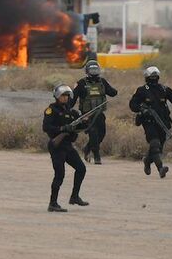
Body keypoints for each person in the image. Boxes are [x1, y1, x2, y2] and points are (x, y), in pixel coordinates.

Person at [129, 66, 172, 178]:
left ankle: (147, 161)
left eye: (155, 76)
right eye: (152, 76)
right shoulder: (142, 90)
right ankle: (161, 168)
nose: (154, 78)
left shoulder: (164, 89)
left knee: (158, 148)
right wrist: (142, 109)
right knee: (155, 144)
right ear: (147, 77)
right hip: (148, 122)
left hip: (163, 122)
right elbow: (132, 104)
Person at [42, 83, 88, 212]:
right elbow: (46, 127)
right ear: (57, 96)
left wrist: (85, 122)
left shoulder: (72, 112)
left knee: (81, 169)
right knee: (59, 174)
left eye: (67, 96)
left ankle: (74, 197)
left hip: (67, 145)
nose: (66, 98)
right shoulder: (51, 110)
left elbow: (79, 127)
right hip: (57, 146)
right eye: (63, 96)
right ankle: (53, 203)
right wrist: (62, 128)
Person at [73, 60, 117, 164]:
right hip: (87, 115)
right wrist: (68, 110)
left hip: (99, 114)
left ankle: (87, 148)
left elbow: (112, 93)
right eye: (92, 70)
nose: (94, 72)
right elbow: (73, 99)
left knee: (101, 134)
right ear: (87, 71)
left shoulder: (102, 82)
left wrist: (112, 90)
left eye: (95, 69)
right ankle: (97, 156)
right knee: (93, 133)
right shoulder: (81, 83)